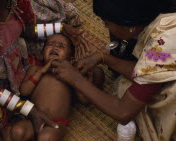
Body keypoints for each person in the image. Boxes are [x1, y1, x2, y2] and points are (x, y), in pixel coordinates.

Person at [50, 0, 176, 140]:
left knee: (124, 88)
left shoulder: (161, 46)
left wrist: (76, 79)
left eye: (107, 24)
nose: (106, 28)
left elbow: (123, 112)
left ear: (130, 28)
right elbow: (147, 72)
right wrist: (103, 58)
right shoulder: (161, 19)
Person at [0, 0, 86, 140]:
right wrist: (26, 109)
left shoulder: (13, 3)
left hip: (15, 72)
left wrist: (59, 28)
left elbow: (22, 29)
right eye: (52, 44)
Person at [20, 34, 104, 140]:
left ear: (71, 60)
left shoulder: (71, 75)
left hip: (56, 123)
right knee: (18, 131)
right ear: (41, 55)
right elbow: (24, 91)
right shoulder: (35, 69)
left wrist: (89, 78)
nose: (55, 47)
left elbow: (84, 99)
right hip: (33, 118)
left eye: (61, 46)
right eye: (50, 44)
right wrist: (41, 71)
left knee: (46, 138)